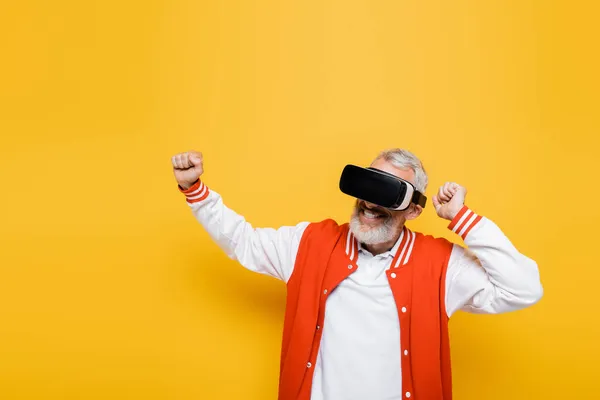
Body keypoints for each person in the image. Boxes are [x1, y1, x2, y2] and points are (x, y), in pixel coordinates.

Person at [171, 148, 543, 400]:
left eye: (388, 192)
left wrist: (464, 219)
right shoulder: (309, 243)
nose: (370, 202)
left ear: (413, 209)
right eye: (368, 185)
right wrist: (195, 189)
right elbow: (242, 241)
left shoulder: (441, 265)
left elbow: (523, 289)